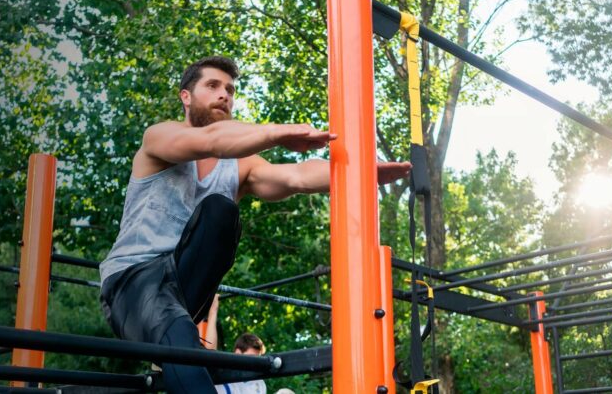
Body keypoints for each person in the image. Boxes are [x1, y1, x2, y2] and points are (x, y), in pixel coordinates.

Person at [98, 56, 412, 393]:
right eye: (212, 86)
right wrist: (276, 134)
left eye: (230, 90)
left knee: (221, 212)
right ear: (185, 96)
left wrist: (364, 172)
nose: (224, 95)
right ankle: (176, 339)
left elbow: (297, 175)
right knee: (179, 340)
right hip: (132, 281)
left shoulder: (239, 166)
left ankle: (177, 339)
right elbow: (211, 140)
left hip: (182, 287)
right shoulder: (160, 138)